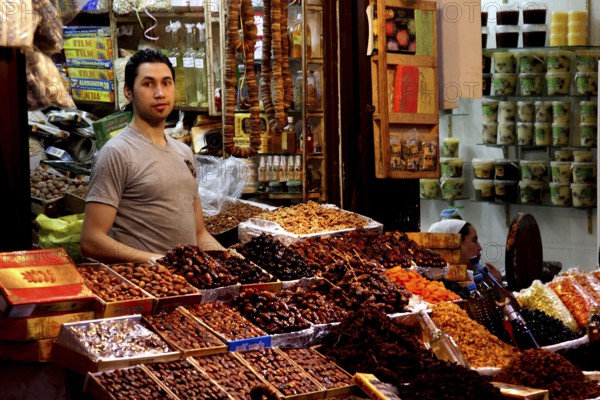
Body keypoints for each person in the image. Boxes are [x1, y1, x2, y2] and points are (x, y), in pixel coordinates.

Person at [81, 49, 224, 263]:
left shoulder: (184, 152)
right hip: (147, 286)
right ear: (128, 92)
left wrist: (232, 260)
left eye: (166, 83)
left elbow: (199, 233)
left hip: (189, 285)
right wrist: (159, 263)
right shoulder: (116, 153)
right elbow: (92, 241)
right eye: (148, 84)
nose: (160, 93)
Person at [428, 218, 503, 282]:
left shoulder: (471, 278)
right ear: (455, 244)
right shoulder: (438, 285)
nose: (480, 247)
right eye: (474, 240)